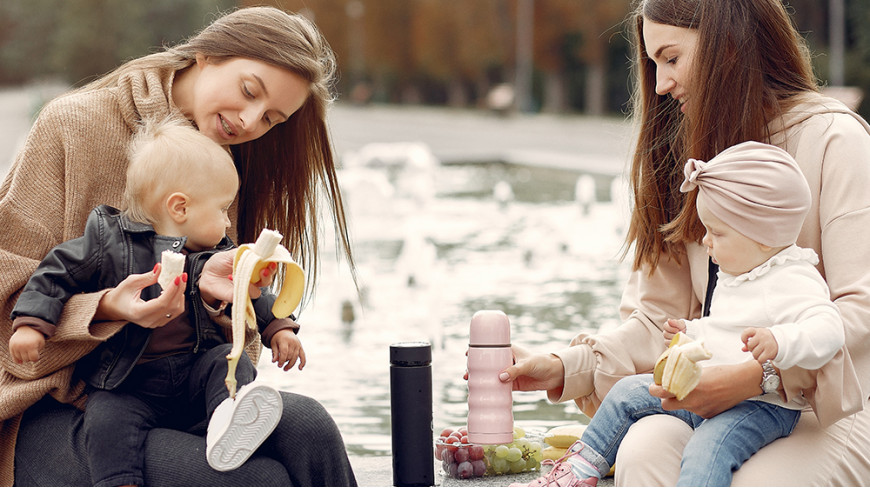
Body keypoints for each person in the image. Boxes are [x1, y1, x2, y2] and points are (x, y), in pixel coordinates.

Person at [499, 0, 870, 485]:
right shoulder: (685, 154)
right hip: (722, 404)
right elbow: (658, 322)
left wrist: (760, 376)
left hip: (834, 408)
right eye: (654, 64)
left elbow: (860, 310)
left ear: (729, 45)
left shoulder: (834, 140)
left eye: (671, 59)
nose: (659, 84)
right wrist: (564, 367)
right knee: (643, 449)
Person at [0, 6, 357, 487]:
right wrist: (107, 307)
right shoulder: (74, 124)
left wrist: (220, 302)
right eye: (249, 90)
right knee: (259, 480)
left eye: (272, 118)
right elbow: (10, 287)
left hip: (181, 388)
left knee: (310, 428)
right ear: (207, 53)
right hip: (59, 404)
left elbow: (236, 344)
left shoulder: (233, 154)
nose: (251, 120)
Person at [515, 141, 845, 487]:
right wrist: (693, 332)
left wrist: (781, 340)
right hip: (710, 390)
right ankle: (580, 469)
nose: (705, 242)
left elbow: (829, 328)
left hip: (762, 406)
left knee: (707, 448)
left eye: (716, 232)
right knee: (627, 393)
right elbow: (724, 330)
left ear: (764, 237)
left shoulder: (793, 277)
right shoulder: (741, 271)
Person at [9, 117, 309, 485]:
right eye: (221, 210)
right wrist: (30, 325)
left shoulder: (219, 253)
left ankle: (228, 424)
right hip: (129, 383)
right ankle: (119, 481)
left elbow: (250, 293)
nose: (227, 224)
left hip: (194, 373)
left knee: (228, 364)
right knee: (104, 420)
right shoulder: (107, 241)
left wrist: (279, 326)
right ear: (180, 207)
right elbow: (54, 275)